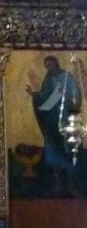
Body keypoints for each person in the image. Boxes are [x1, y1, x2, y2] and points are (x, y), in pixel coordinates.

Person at [26, 55, 83, 197]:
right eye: (47, 66)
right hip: (52, 119)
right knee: (53, 149)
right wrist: (34, 95)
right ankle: (58, 185)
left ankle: (72, 185)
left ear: (56, 64)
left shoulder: (67, 77)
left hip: (66, 118)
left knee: (67, 150)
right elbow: (44, 96)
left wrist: (73, 106)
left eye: (50, 65)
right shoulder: (48, 79)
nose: (49, 68)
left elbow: (76, 94)